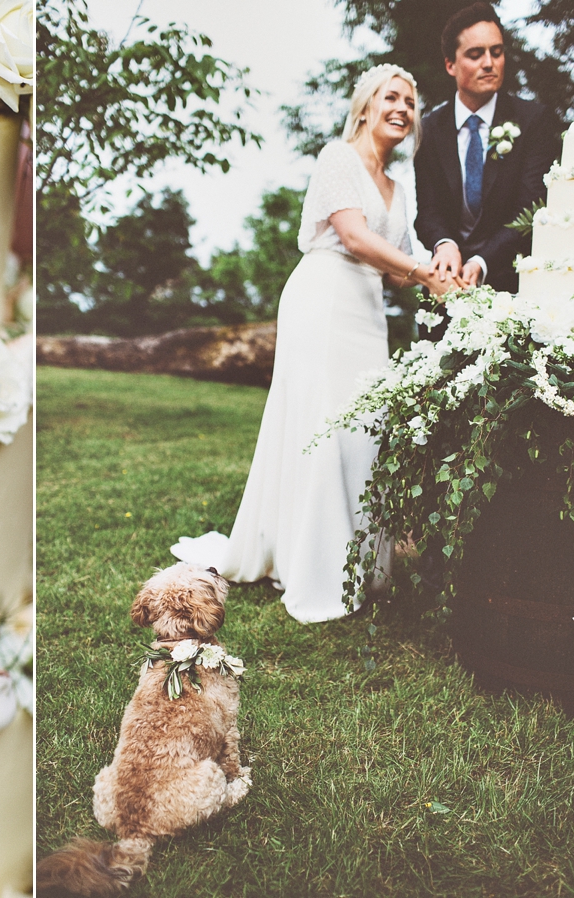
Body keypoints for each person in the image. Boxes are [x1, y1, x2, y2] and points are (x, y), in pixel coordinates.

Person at [170, 65, 454, 624]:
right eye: (391, 97)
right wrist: (423, 270)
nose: (402, 108)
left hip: (367, 310)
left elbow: (396, 268)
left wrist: (447, 267)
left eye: (411, 102)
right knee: (322, 423)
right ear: (366, 107)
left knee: (361, 431)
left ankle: (356, 565)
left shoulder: (398, 188)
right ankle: (313, 568)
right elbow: (352, 236)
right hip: (323, 300)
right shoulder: (336, 159)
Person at [414, 2, 561, 322]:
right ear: (451, 64)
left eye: (496, 52)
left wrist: (481, 261)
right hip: (445, 287)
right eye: (475, 54)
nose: (489, 63)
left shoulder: (533, 121)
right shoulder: (428, 130)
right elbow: (428, 211)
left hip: (514, 287)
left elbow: (530, 208)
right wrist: (445, 245)